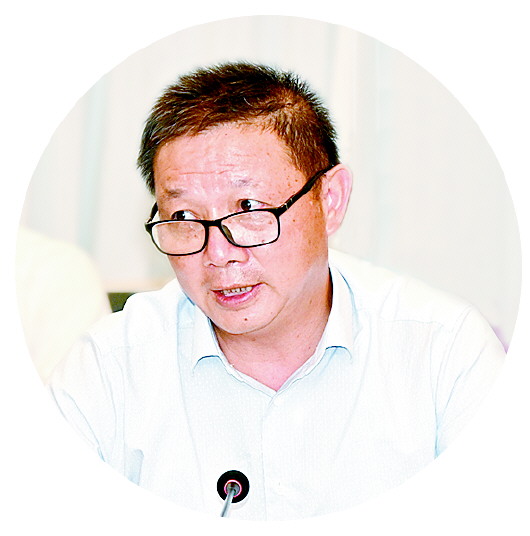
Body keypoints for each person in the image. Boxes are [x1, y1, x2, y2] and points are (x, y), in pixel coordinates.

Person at [48, 62, 505, 520]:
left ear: (330, 200)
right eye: (184, 217)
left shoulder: (443, 353)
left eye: (249, 207)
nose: (218, 254)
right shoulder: (110, 367)